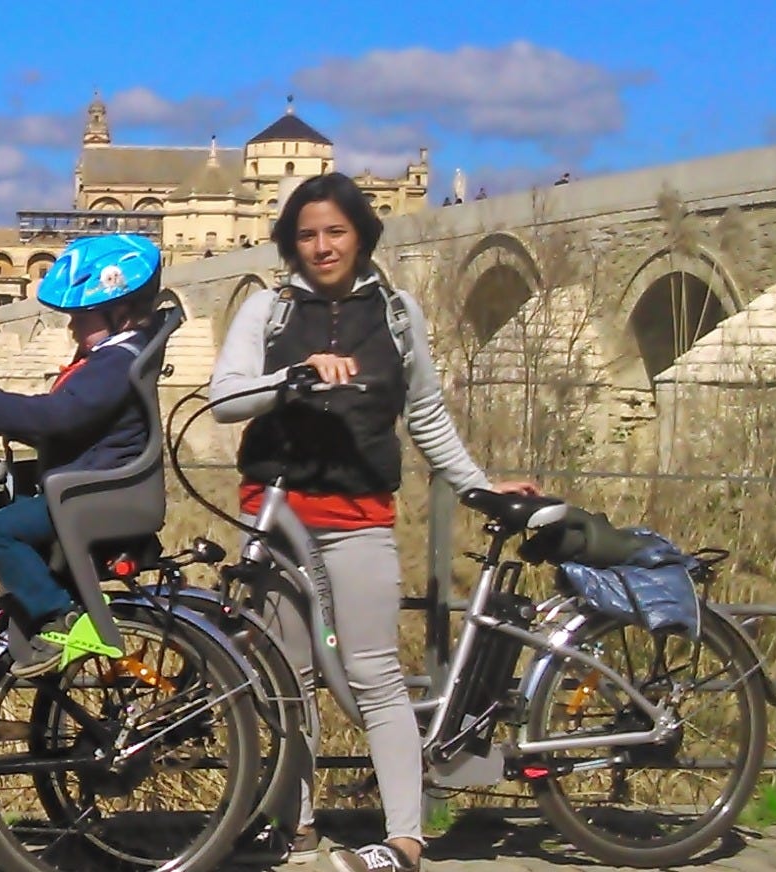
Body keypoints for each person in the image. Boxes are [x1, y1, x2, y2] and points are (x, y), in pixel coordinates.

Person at [209, 173, 541, 872]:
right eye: (306, 234)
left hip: (359, 516)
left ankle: (405, 839)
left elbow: (424, 413)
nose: (322, 246)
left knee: (374, 674)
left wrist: (476, 485)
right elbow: (226, 401)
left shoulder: (396, 314)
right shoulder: (266, 311)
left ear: (361, 234)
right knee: (286, 677)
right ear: (289, 243)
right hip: (275, 516)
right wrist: (292, 375)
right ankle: (294, 826)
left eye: (335, 231)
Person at [0, 234, 165, 679]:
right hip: (87, 486)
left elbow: (61, 416)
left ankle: (59, 618)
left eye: (81, 316)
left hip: (97, 494)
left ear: (121, 310)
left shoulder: (116, 363)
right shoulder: (119, 354)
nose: (71, 327)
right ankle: (25, 598)